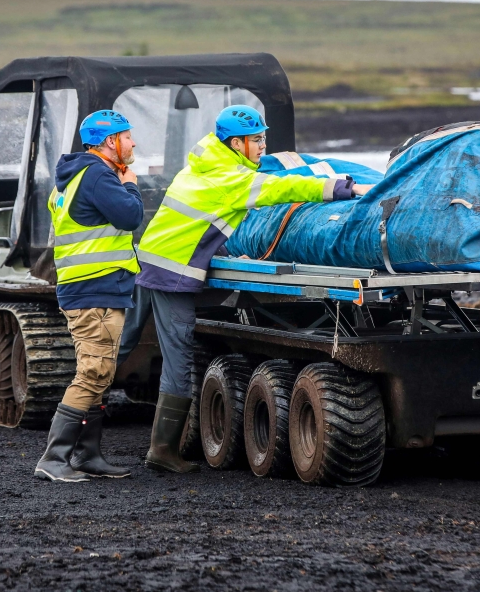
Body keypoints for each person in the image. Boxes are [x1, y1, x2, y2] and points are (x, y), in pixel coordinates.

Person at [116, 104, 373, 474]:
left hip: (153, 257)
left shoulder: (205, 159)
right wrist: (342, 188)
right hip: (172, 272)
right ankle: (162, 450)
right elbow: (282, 187)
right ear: (236, 143)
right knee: (179, 359)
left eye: (264, 138)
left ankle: (80, 417)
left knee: (121, 344)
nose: (263, 146)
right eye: (256, 140)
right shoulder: (230, 178)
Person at [34, 110, 143, 483]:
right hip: (94, 290)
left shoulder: (70, 179)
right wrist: (130, 184)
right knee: (94, 371)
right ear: (110, 141)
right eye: (127, 137)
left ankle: (87, 454)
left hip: (91, 288)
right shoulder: (98, 174)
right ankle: (54, 458)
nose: (132, 144)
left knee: (101, 372)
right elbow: (130, 216)